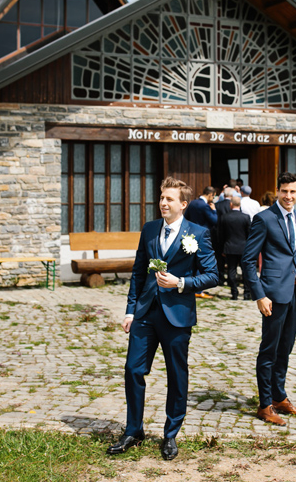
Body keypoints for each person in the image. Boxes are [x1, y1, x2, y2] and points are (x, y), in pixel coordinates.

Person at [107, 177, 218, 460]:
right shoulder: (149, 229)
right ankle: (134, 430)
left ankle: (170, 435)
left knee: (176, 375)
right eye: (161, 198)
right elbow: (138, 271)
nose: (163, 203)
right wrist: (130, 310)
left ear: (183, 204)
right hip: (145, 313)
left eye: (169, 199)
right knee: (133, 369)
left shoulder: (198, 233)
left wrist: (180, 282)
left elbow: (212, 275)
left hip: (177, 315)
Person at [242, 172, 296, 427]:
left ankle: (279, 396)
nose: (289, 196)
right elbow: (248, 260)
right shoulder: (264, 219)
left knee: (286, 348)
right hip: (273, 294)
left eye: (293, 191)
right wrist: (259, 294)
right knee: (269, 350)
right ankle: (264, 404)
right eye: (285, 191)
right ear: (278, 191)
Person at [219, 195, 251, 300]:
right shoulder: (245, 217)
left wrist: (222, 248)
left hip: (230, 247)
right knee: (245, 271)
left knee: (231, 271)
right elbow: (249, 234)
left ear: (231, 204)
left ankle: (234, 292)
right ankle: (246, 293)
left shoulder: (224, 217)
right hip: (243, 247)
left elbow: (221, 235)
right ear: (240, 204)